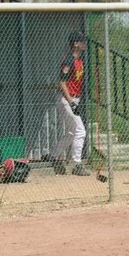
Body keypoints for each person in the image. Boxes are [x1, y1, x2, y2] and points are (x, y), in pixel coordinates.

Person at [52, 31, 91, 176]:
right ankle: (77, 165)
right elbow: (62, 83)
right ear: (75, 44)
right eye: (81, 41)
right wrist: (71, 102)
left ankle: (54, 156)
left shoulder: (80, 60)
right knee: (80, 131)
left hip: (75, 99)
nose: (84, 44)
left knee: (71, 132)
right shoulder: (69, 60)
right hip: (66, 100)